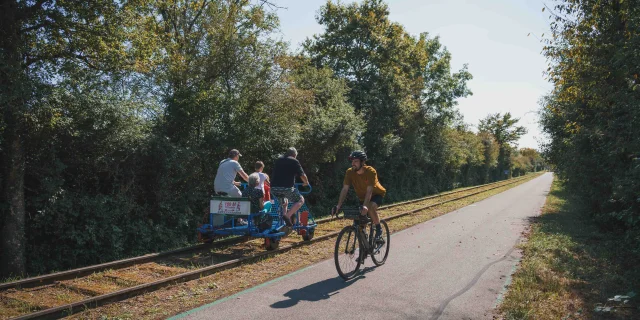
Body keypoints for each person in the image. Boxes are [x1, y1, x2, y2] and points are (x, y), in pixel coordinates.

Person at [333, 150, 386, 241]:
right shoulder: (349, 172)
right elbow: (345, 189)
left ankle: (378, 228)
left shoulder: (370, 171)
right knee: (359, 223)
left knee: (369, 207)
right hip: (362, 197)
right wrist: (338, 205)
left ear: (362, 162)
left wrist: (365, 206)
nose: (353, 163)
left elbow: (370, 190)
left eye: (356, 161)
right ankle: (364, 247)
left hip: (376, 194)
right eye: (352, 161)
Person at [270, 147, 309, 231]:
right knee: (300, 200)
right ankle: (287, 216)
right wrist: (306, 182)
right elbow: (302, 175)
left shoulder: (278, 160)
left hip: (273, 188)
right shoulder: (294, 161)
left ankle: (284, 222)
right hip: (286, 188)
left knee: (284, 202)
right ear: (294, 155)